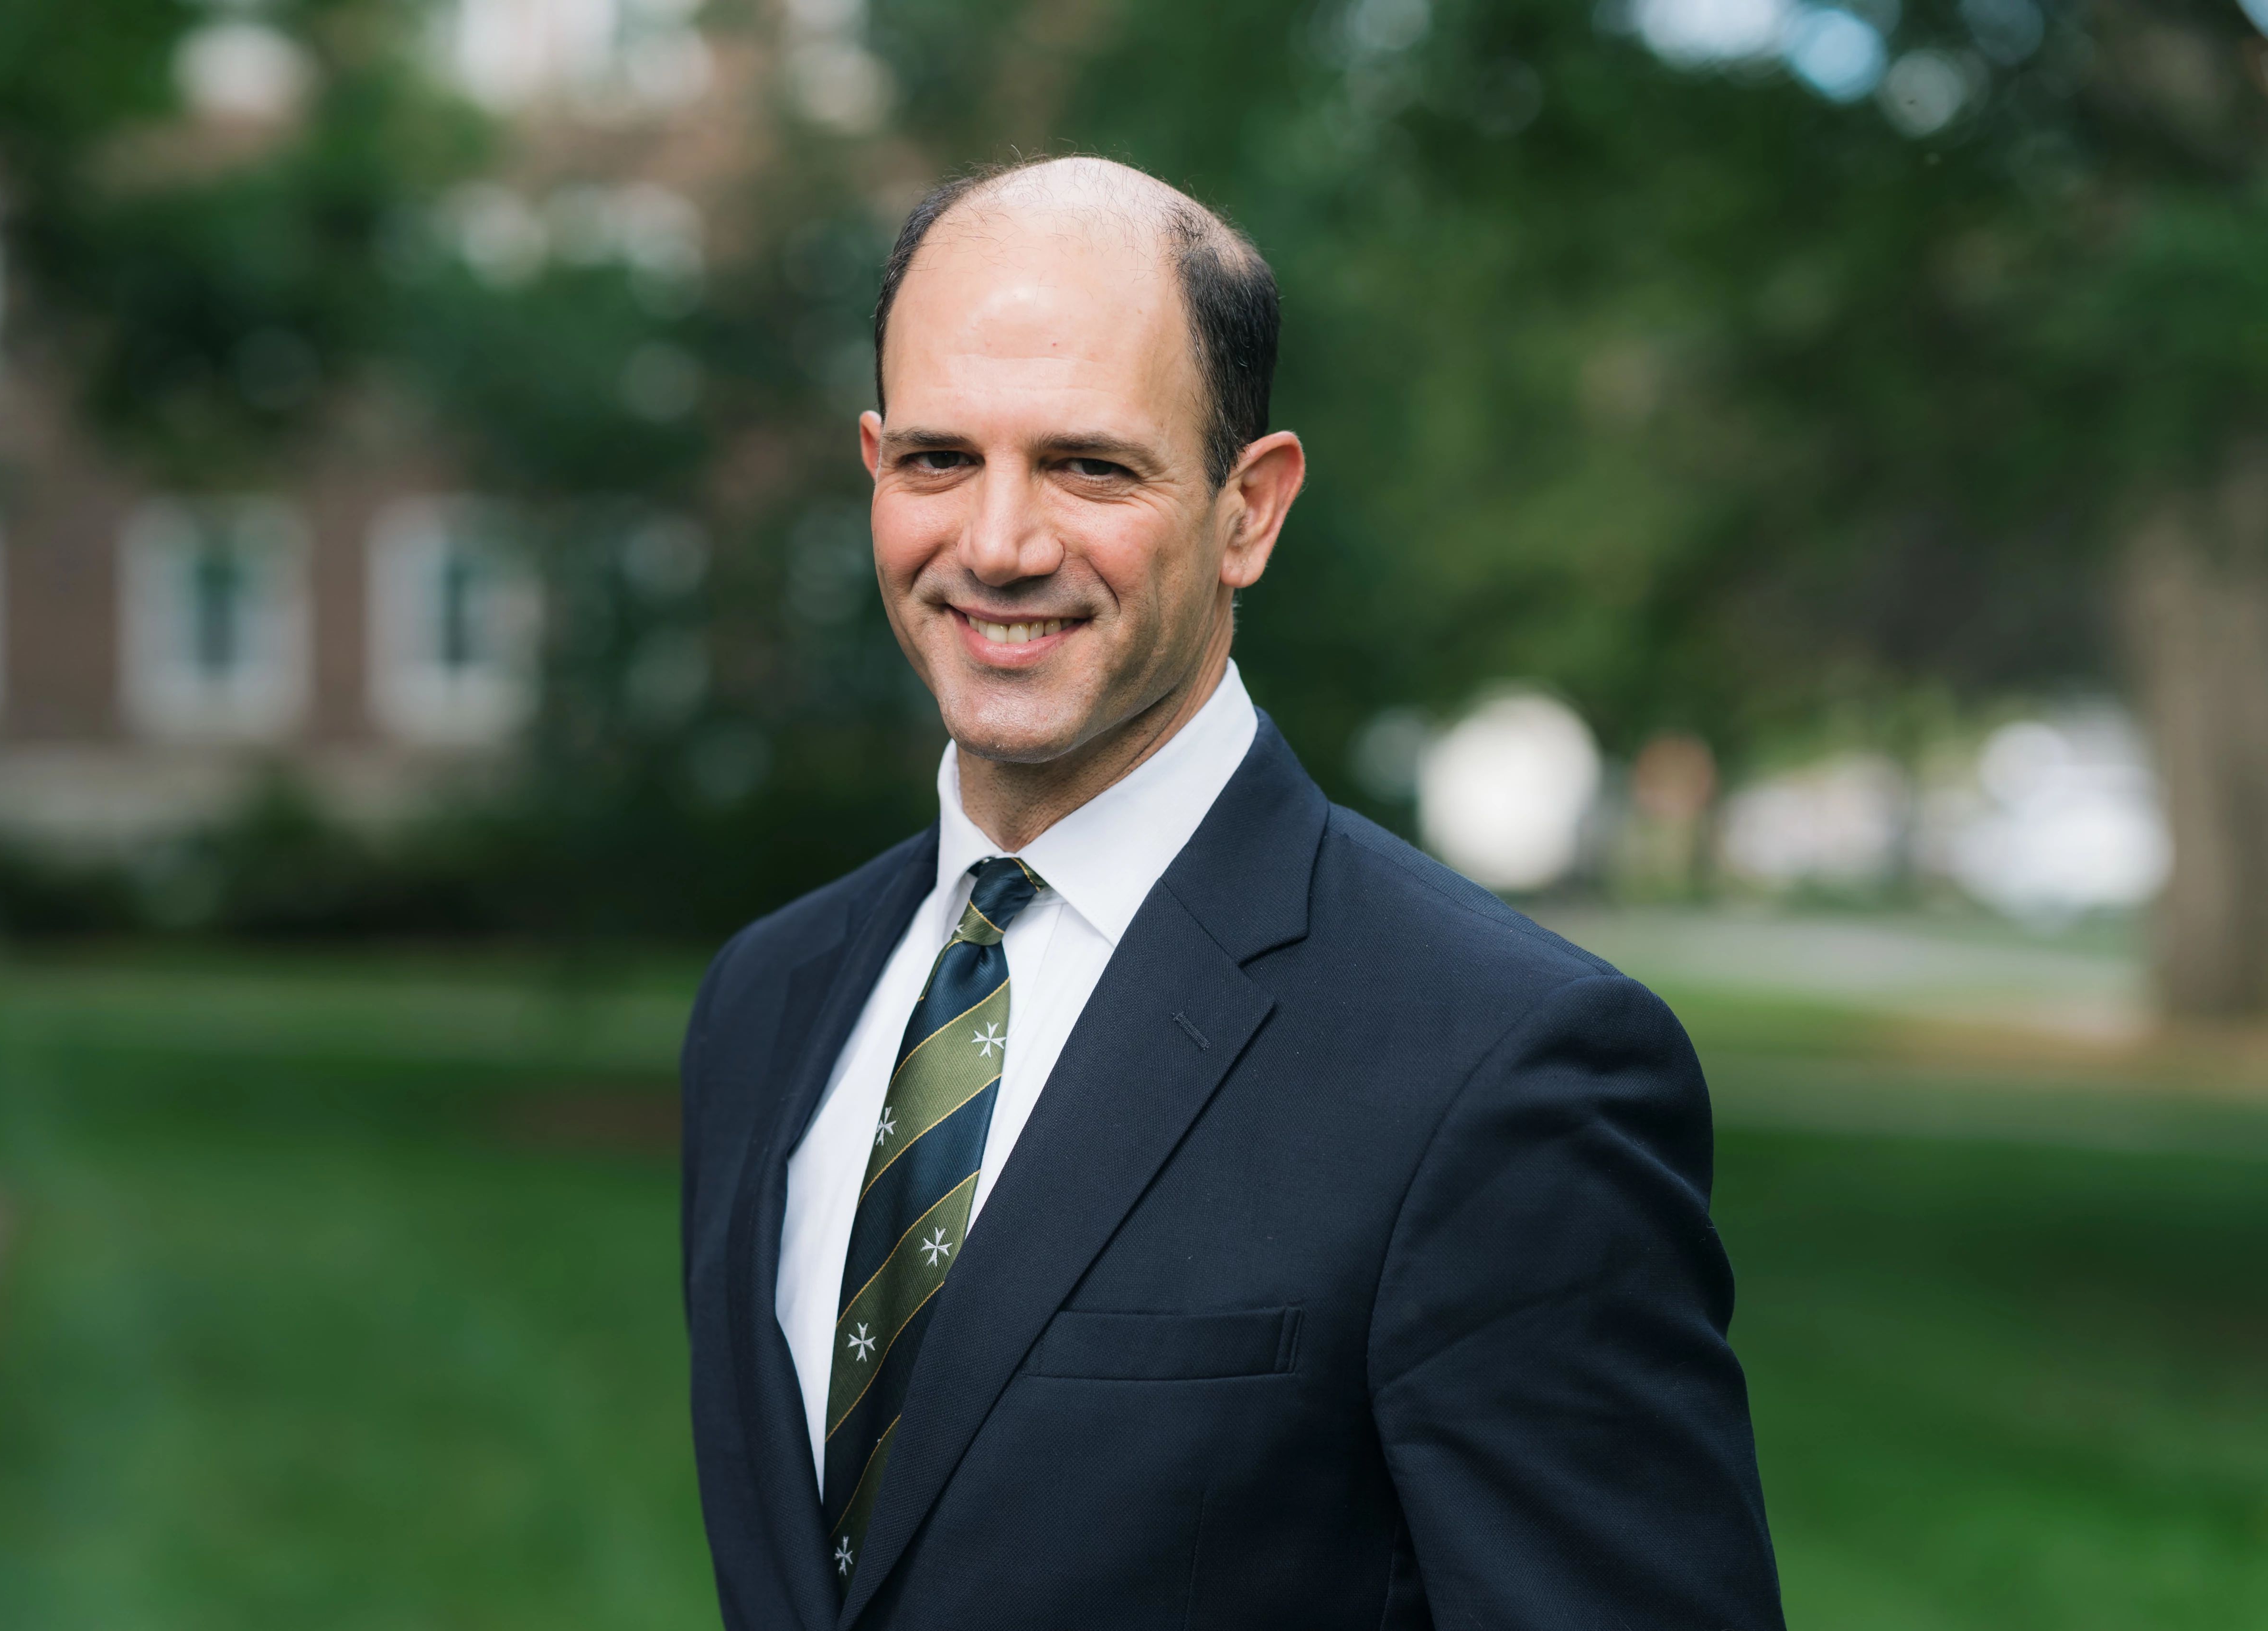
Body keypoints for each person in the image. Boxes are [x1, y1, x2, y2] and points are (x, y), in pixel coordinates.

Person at [680, 155, 1783, 1631]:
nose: (998, 545)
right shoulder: (771, 1000)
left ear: (1249, 509)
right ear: (874, 467)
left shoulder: (1501, 1066)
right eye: (941, 459)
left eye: (1090, 466)